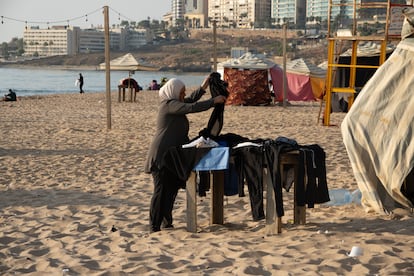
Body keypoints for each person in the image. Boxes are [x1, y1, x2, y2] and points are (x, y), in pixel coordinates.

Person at [144, 76, 227, 233]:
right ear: (173, 92)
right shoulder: (168, 105)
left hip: (173, 156)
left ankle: (166, 223)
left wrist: (203, 87)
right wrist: (213, 101)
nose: (183, 95)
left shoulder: (176, 104)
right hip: (161, 155)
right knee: (161, 191)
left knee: (171, 190)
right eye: (181, 92)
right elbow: (192, 107)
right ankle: (154, 226)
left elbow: (189, 101)